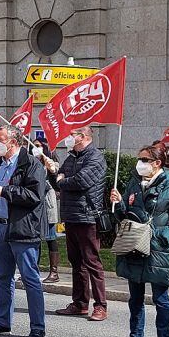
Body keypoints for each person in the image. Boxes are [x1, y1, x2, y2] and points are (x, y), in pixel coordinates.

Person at [110, 144, 169, 337]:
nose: (140, 163)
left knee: (161, 299)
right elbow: (125, 214)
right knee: (135, 298)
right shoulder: (135, 182)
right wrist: (118, 204)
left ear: (157, 163)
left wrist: (163, 236)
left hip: (157, 250)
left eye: (145, 160)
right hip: (133, 245)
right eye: (140, 159)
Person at [0, 126, 48, 337]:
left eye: (0, 140)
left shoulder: (31, 164)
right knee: (3, 277)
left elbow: (35, 195)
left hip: (22, 228)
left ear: (13, 142)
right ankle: (2, 321)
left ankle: (37, 326)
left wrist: (5, 191)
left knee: (30, 278)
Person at [50, 126, 109, 321]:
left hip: (88, 216)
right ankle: (80, 303)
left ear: (83, 137)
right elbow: (60, 178)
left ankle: (100, 305)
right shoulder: (72, 157)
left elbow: (82, 181)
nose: (68, 139)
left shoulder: (95, 157)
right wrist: (54, 173)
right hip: (71, 216)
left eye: (71, 135)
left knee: (92, 262)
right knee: (76, 262)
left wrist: (62, 181)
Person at [32, 138, 62, 283]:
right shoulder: (31, 163)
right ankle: (33, 270)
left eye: (37, 146)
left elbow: (54, 182)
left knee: (51, 238)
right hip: (35, 207)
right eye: (33, 145)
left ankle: (54, 272)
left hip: (48, 205)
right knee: (35, 239)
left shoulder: (51, 163)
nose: (34, 148)